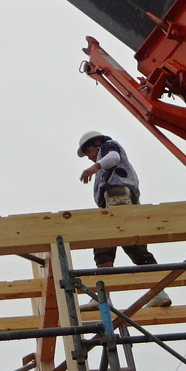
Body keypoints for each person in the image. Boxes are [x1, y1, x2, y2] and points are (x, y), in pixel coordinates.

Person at [77, 130, 168, 307]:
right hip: (117, 202)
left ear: (96, 143)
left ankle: (103, 297)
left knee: (109, 246)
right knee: (118, 249)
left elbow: (114, 158)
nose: (89, 158)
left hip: (117, 199)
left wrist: (94, 167)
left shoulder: (108, 147)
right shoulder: (103, 160)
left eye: (89, 152)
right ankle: (156, 292)